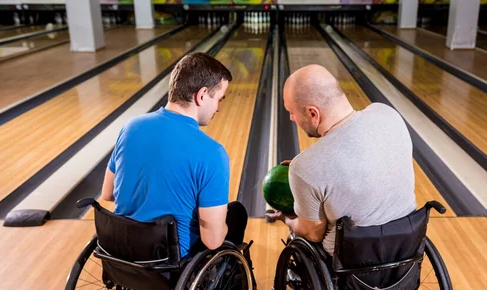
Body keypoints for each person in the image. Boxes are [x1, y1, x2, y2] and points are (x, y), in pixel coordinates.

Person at [101, 52, 247, 259]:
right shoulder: (212, 153)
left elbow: (108, 193)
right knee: (236, 213)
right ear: (202, 95)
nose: (219, 108)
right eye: (219, 99)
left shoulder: (131, 127)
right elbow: (212, 241)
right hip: (170, 263)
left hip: (122, 252)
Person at [267, 64, 416, 254]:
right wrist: (306, 173)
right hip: (407, 245)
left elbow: (313, 234)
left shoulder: (305, 167)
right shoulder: (388, 113)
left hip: (351, 261)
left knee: (301, 236)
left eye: (292, 112)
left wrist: (287, 218)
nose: (291, 118)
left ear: (313, 113)